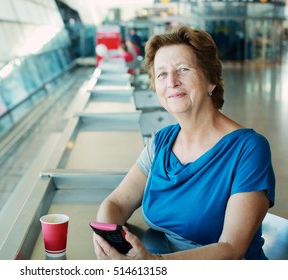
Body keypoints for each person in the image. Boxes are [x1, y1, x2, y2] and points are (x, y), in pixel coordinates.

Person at [93, 25, 275, 260]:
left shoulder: (248, 149)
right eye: (161, 74)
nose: (172, 81)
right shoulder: (161, 143)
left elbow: (231, 248)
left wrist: (154, 264)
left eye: (183, 69)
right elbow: (116, 203)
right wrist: (107, 242)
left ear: (210, 80)